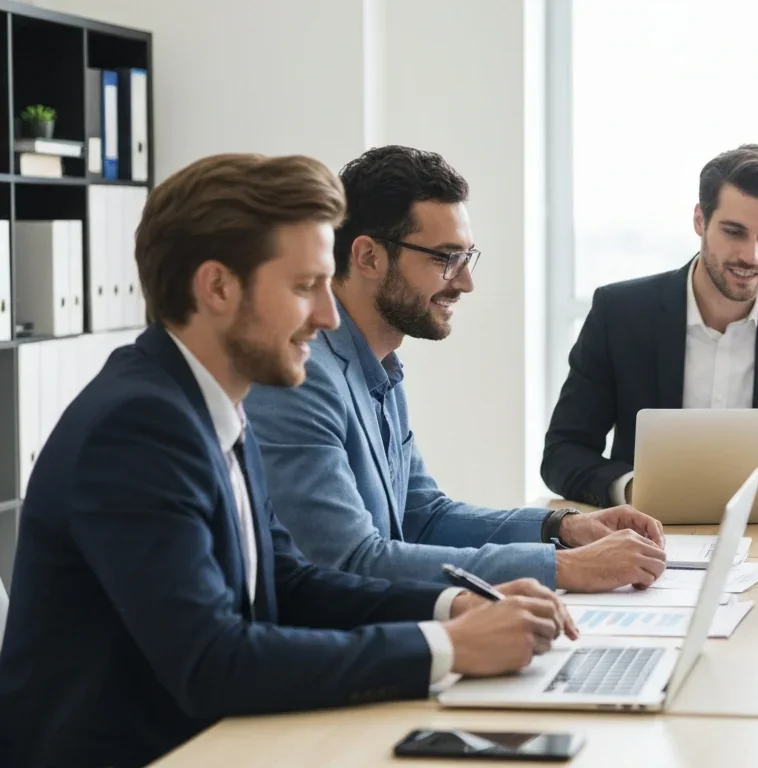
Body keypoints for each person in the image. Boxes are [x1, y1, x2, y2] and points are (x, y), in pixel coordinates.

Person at [0, 154, 575, 767]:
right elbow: (213, 661)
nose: (328, 317)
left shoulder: (211, 403)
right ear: (217, 287)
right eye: (305, 289)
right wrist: (446, 647)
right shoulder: (139, 427)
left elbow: (288, 582)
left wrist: (453, 605)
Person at [244, 146, 666, 593]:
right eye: (446, 258)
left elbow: (424, 516)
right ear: (368, 257)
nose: (466, 282)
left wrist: (560, 527)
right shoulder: (303, 377)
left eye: (467, 257)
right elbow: (349, 561)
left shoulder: (381, 368)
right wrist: (562, 568)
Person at [541, 143, 758, 508]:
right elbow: (564, 452)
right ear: (700, 220)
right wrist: (632, 490)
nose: (752, 256)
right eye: (734, 232)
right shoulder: (620, 314)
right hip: (647, 535)